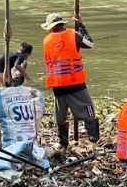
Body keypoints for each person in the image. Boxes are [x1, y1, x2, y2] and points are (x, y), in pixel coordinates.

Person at [41, 12, 98, 149]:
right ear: (62, 25)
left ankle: (63, 142)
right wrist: (81, 26)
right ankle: (94, 138)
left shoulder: (46, 40)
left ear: (51, 27)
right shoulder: (74, 34)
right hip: (75, 82)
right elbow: (90, 44)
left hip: (58, 85)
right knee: (88, 109)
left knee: (60, 115)